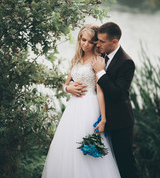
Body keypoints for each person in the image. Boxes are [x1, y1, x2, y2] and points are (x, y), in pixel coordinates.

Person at [41, 24, 121, 178]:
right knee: (68, 146)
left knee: (86, 145)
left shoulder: (98, 61)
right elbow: (65, 84)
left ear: (96, 43)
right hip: (73, 108)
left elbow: (100, 92)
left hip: (89, 107)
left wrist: (103, 118)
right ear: (79, 39)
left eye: (90, 41)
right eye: (83, 40)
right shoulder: (76, 59)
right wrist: (67, 88)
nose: (85, 44)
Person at [90, 22, 139, 178]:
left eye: (102, 41)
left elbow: (117, 92)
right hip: (100, 120)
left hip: (120, 122)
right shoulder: (101, 55)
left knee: (125, 164)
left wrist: (100, 73)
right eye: (98, 40)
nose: (98, 44)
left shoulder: (127, 62)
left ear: (115, 42)